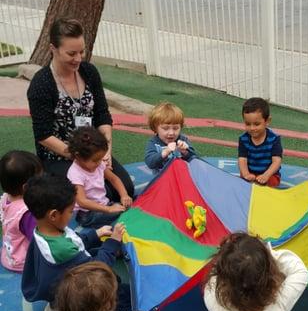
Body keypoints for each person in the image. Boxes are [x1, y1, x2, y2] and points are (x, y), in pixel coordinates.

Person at [27, 17, 134, 202]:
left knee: (125, 190)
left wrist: (106, 151)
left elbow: (102, 115)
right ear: (53, 49)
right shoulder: (42, 83)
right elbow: (43, 135)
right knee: (96, 197)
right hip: (60, 156)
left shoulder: (89, 72)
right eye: (71, 53)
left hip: (94, 151)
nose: (78, 58)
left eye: (81, 51)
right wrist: (79, 157)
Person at [21, 174, 131, 311]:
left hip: (57, 281)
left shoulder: (44, 230)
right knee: (129, 298)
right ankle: (68, 308)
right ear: (53, 215)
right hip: (77, 289)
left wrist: (96, 234)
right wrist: (113, 241)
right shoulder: (63, 249)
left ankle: (59, 302)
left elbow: (73, 240)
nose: (72, 214)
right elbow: (99, 268)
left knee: (99, 249)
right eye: (70, 211)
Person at [67, 126, 132, 228]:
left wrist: (124, 195)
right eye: (95, 160)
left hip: (103, 204)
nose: (99, 163)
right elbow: (82, 201)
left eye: (100, 159)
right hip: (86, 213)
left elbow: (114, 179)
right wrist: (108, 209)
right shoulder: (75, 173)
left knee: (125, 205)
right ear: (78, 156)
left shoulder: (98, 164)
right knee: (121, 212)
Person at [0, 151, 43, 272]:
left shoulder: (6, 199)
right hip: (24, 262)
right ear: (26, 187)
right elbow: (39, 241)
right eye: (39, 179)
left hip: (9, 256)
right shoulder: (26, 212)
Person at [238, 98, 283, 187]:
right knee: (241, 184)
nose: (252, 128)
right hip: (250, 173)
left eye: (257, 124)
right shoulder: (243, 139)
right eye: (247, 124)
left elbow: (276, 161)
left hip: (270, 175)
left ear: (267, 121)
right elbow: (242, 159)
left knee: (266, 184)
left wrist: (266, 175)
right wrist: (246, 174)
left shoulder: (274, 139)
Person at [144, 102, 196, 173]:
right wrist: (165, 152)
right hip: (162, 179)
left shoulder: (183, 139)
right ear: (155, 128)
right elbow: (150, 163)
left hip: (181, 176)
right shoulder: (153, 142)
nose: (171, 133)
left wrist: (185, 152)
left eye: (175, 128)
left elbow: (194, 159)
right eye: (165, 128)